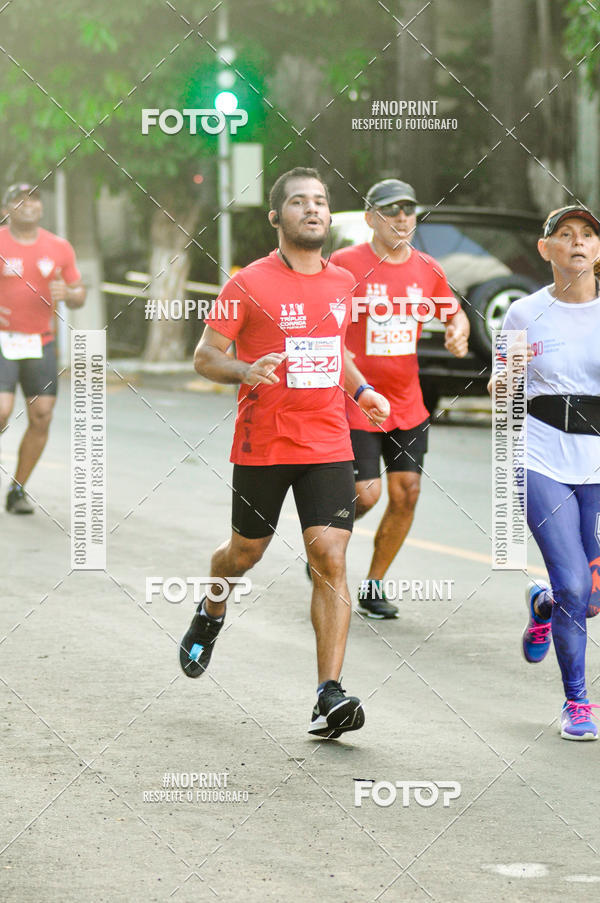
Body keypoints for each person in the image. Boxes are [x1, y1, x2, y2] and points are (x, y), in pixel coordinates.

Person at [179, 167, 390, 739]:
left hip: (327, 440)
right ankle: (212, 606)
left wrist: (363, 391)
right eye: (299, 202)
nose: (313, 209)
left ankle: (329, 695)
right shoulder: (247, 283)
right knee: (244, 553)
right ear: (276, 217)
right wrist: (246, 369)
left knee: (331, 557)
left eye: (320, 201)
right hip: (264, 443)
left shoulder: (343, 282)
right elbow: (205, 355)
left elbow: (336, 352)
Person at [330, 179, 470, 618]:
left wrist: (457, 329)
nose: (402, 218)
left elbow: (453, 311)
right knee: (366, 495)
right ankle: (325, 542)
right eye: (392, 210)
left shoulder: (428, 268)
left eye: (409, 210)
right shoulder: (344, 264)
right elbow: (321, 318)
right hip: (356, 399)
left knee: (407, 491)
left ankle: (373, 586)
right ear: (371, 218)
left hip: (407, 402)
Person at [488, 204, 600, 740]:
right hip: (539, 457)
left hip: (597, 461)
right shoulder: (524, 314)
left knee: (590, 596)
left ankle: (544, 602)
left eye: (587, 235)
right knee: (577, 584)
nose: (577, 242)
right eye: (565, 234)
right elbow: (503, 388)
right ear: (546, 249)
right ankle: (576, 701)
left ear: (598, 251)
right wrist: (503, 378)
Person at [0, 182, 86, 513]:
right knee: (2, 411)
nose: (28, 204)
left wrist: (72, 295)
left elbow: (79, 293)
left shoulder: (59, 247)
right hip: (3, 340)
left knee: (41, 416)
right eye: (19, 199)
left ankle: (17, 490)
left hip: (40, 342)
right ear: (6, 209)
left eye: (34, 198)